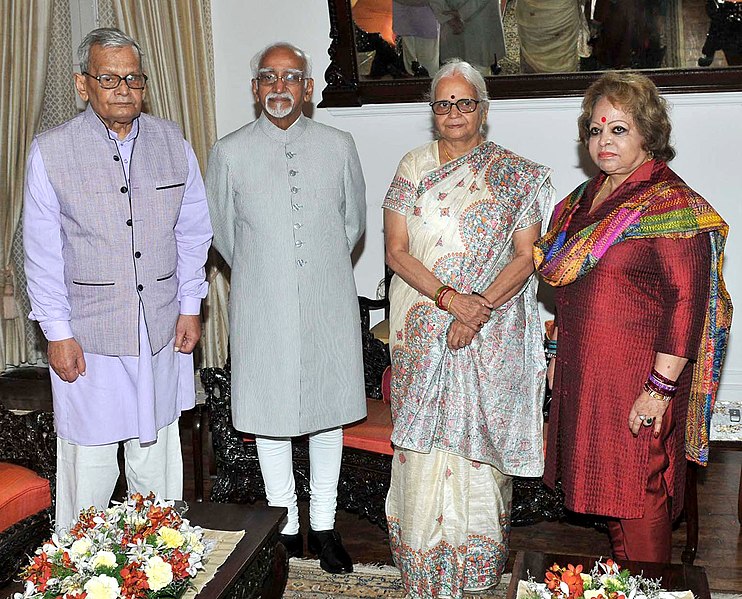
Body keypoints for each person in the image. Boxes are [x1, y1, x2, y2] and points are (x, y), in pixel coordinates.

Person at [534, 71, 733, 563]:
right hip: (588, 371)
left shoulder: (671, 205)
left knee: (638, 493)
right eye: (596, 130)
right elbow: (567, 288)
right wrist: (558, 354)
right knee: (610, 491)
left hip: (639, 376)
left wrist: (659, 390)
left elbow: (688, 302)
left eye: (619, 129)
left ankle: (650, 587)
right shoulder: (582, 201)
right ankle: (623, 583)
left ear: (648, 133)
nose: (604, 141)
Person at [23, 27, 212, 531]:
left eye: (133, 78)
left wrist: (191, 303)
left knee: (158, 455)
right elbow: (42, 255)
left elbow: (194, 230)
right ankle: (77, 568)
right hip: (89, 336)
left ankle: (161, 561)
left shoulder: (173, 141)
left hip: (161, 327)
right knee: (91, 460)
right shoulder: (51, 151)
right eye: (109, 78)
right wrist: (57, 334)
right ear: (83, 85)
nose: (124, 88)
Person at [383, 60, 553, 598]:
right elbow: (396, 251)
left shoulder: (518, 174)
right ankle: (423, 569)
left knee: (478, 450)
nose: (453, 112)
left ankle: (474, 571)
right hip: (422, 327)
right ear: (431, 111)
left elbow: (528, 255)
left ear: (483, 108)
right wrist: (451, 300)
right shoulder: (412, 166)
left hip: (490, 331)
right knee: (425, 447)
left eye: (464, 102)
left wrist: (477, 308)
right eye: (442, 103)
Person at [205, 42, 366, 575]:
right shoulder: (228, 152)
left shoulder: (339, 144)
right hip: (262, 303)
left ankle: (323, 525)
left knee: (327, 416)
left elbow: (353, 225)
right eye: (269, 77)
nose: (280, 87)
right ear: (255, 89)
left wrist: (313, 270)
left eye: (292, 77)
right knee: (270, 419)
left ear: (309, 89)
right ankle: (286, 526)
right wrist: (270, 270)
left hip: (328, 301)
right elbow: (224, 235)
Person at [428, 0, 506, 75]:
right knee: (452, 69)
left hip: (480, 21)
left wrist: (461, 13)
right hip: (450, 23)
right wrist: (447, 16)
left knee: (479, 74)